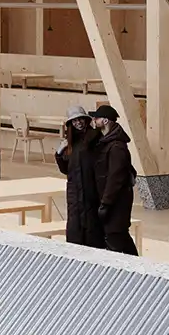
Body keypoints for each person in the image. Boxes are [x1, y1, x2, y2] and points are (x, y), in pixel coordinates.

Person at [88, 104, 139, 255]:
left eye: (96, 118)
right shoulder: (105, 141)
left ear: (105, 121)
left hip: (117, 201)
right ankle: (138, 264)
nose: (94, 121)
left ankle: (128, 265)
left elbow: (115, 178)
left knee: (115, 235)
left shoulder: (117, 147)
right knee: (120, 236)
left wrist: (106, 203)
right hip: (111, 200)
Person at [54, 105, 103, 249]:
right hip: (74, 191)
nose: (78, 123)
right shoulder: (70, 142)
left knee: (92, 226)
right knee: (75, 227)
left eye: (80, 119)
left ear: (86, 120)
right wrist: (59, 153)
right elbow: (65, 169)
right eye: (74, 121)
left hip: (90, 188)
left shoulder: (95, 137)